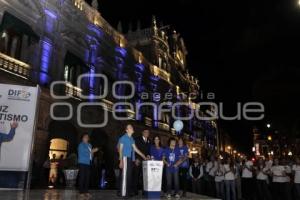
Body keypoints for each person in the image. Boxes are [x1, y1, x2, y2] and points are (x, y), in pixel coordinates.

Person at [118, 124, 147, 198]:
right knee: (125, 176)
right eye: (130, 127)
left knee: (129, 176)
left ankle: (127, 192)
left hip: (131, 159)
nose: (132, 128)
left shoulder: (132, 139)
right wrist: (121, 161)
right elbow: (120, 150)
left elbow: (136, 149)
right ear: (127, 130)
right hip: (125, 158)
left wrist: (144, 156)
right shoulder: (123, 138)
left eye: (132, 127)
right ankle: (124, 194)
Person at [78, 133, 99, 197]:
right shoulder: (81, 145)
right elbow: (84, 152)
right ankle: (81, 192)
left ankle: (86, 191)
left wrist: (92, 154)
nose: (86, 138)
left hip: (88, 162)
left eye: (87, 137)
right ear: (82, 138)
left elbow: (91, 155)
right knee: (82, 177)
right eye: (85, 137)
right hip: (82, 162)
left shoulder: (90, 145)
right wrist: (92, 151)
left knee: (87, 178)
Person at [132, 129, 151, 196]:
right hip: (138, 160)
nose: (147, 133)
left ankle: (144, 191)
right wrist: (136, 159)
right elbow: (134, 149)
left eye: (148, 132)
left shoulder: (149, 141)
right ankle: (135, 191)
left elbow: (148, 151)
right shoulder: (137, 139)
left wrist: (148, 155)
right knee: (136, 176)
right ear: (142, 132)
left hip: (145, 161)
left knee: (144, 177)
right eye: (145, 132)